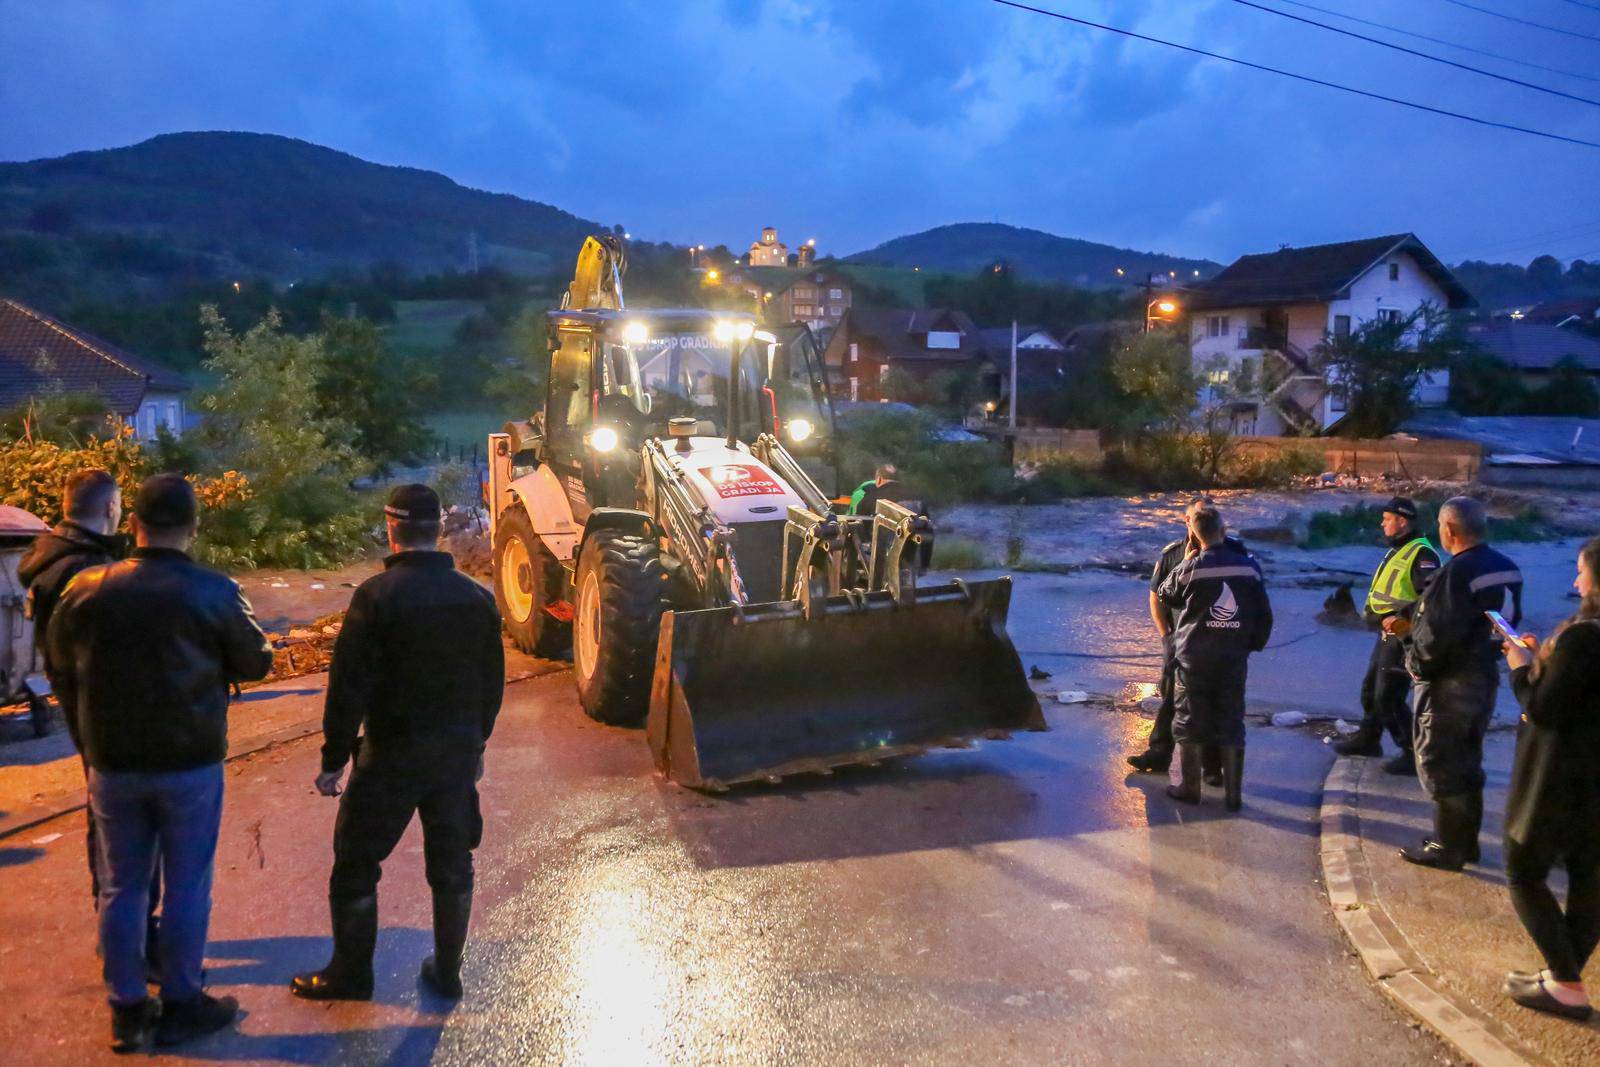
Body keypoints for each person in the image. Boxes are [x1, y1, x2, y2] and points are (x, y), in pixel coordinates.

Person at [48, 473, 274, 1052]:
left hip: (113, 763)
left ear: (134, 523)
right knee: (187, 886)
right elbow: (255, 662)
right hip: (188, 761)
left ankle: (126, 1008)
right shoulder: (214, 591)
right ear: (193, 526)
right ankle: (180, 1002)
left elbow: (59, 667)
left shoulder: (87, 588)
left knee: (121, 887)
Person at [291, 484, 504, 1002]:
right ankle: (448, 970)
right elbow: (491, 686)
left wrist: (333, 759)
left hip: (390, 753)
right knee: (453, 862)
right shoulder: (477, 598)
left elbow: (349, 685)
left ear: (391, 528)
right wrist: (475, 746)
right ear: (439, 531)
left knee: (357, 862)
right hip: (454, 753)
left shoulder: (375, 597)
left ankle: (351, 974)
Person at [20, 470, 156, 935]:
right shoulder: (84, 571)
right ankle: (126, 934)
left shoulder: (52, 559)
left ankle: (117, 922)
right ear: (110, 510)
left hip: (82, 704)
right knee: (121, 826)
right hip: (104, 711)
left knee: (107, 815)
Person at [1497, 537, 1600, 1021]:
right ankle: (1565, 977)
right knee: (1588, 876)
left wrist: (1521, 666)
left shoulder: (1585, 637)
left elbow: (1544, 709)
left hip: (1560, 777)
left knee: (1523, 868)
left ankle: (1565, 981)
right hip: (1591, 781)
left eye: (1582, 572)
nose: (1576, 581)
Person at [1395, 496, 1523, 872]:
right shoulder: (1506, 568)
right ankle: (1464, 842)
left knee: (1440, 761)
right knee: (1468, 761)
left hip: (1450, 683)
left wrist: (1415, 664)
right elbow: (1506, 624)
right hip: (1485, 675)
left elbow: (1435, 635)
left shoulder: (1456, 574)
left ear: (1448, 529)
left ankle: (1447, 846)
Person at [1156, 506, 1273, 811]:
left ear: (1194, 534)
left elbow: (1166, 593)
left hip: (1194, 659)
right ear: (1223, 530)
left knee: (1188, 721)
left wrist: (1189, 558)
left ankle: (1190, 788)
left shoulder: (1192, 567)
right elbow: (1264, 614)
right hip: (1232, 659)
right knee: (1232, 722)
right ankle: (1233, 796)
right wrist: (1251, 645)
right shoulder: (1248, 567)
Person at [1127, 496, 1249, 782]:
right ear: (1187, 521)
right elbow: (1157, 597)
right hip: (1180, 642)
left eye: (1207, 515)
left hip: (1219, 642)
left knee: (1215, 704)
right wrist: (1165, 636)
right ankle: (1159, 754)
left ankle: (1212, 768)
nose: (1201, 521)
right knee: (1171, 698)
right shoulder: (1173, 553)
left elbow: (1248, 595)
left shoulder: (1233, 552)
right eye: (1197, 516)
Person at [1332, 497, 1440, 774]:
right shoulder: (1399, 549)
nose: (1382, 523)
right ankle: (1369, 739)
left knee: (1387, 697)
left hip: (1403, 636)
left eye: (1387, 518)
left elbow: (1431, 598)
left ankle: (1412, 752)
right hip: (1386, 632)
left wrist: (1401, 618)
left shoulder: (1422, 554)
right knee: (1371, 689)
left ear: (1402, 521)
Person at [852, 464, 934, 574]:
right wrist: (924, 565)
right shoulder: (916, 497)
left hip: (880, 556)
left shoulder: (870, 498)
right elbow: (927, 528)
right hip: (911, 554)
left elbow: (859, 527)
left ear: (879, 479)